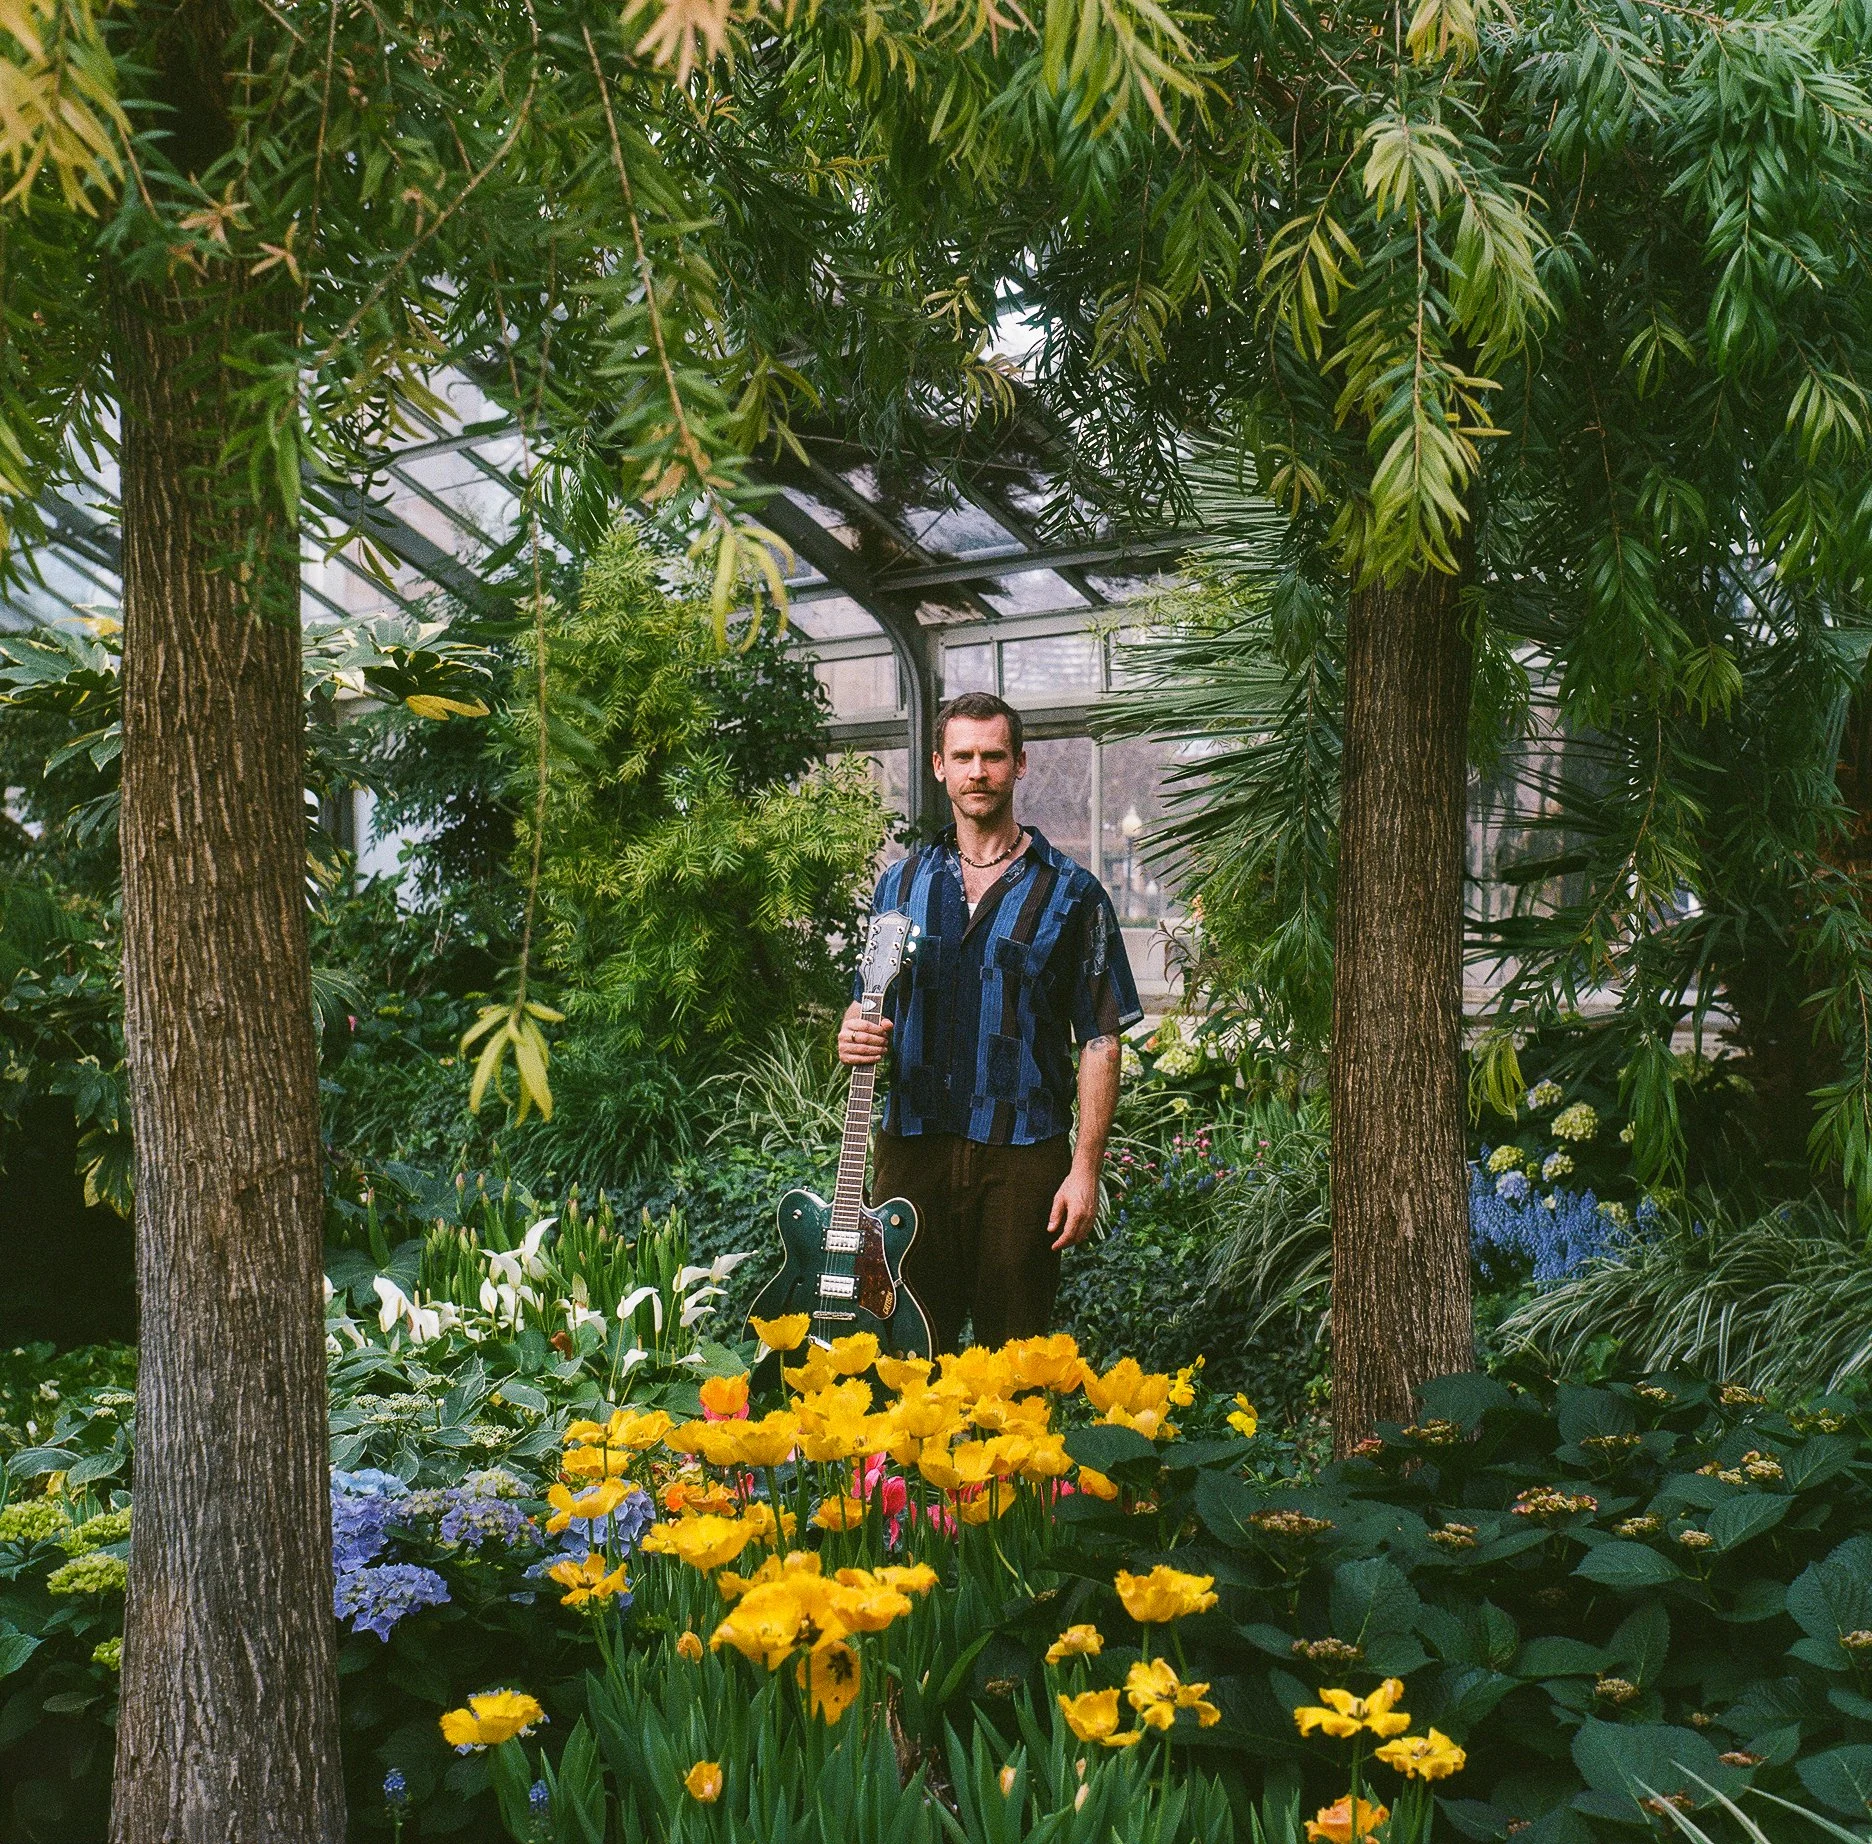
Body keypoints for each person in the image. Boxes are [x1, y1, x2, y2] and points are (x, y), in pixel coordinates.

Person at [838, 691, 1143, 1354]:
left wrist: (1085, 1167)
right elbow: (867, 998)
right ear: (939, 768)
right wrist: (851, 1031)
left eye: (993, 756)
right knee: (906, 1351)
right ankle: (915, 1465)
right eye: (964, 756)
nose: (979, 770)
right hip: (911, 1153)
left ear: (1020, 765)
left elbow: (1100, 1037)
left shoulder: (1073, 892)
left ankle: (1007, 1464)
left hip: (1022, 1159)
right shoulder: (900, 884)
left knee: (1017, 1357)